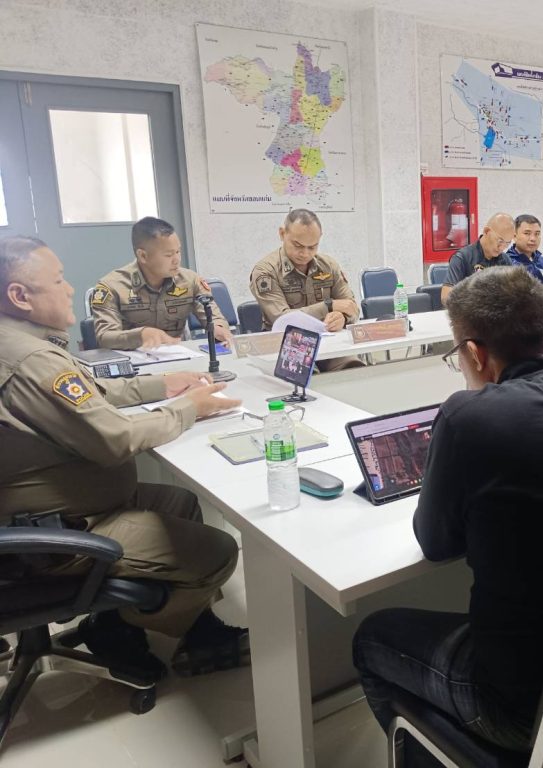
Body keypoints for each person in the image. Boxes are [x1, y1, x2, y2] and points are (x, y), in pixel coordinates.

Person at [353, 267, 543, 760]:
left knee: (372, 637)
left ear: (475, 353)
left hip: (527, 711)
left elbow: (436, 543)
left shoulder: (466, 417)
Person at [0, 235, 248, 679]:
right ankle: (116, 628)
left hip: (50, 508)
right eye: (58, 280)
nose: (70, 289)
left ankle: (196, 631)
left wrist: (162, 384)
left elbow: (88, 393)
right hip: (51, 533)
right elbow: (116, 438)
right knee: (218, 551)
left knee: (179, 503)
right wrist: (189, 408)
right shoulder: (31, 360)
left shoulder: (16, 344)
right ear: (20, 296)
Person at [91, 217, 232, 350]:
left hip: (178, 356)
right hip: (133, 359)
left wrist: (219, 328)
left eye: (178, 251)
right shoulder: (112, 286)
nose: (177, 260)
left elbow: (213, 316)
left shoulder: (190, 280)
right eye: (168, 255)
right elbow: (105, 336)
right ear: (143, 256)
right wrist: (140, 335)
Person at [249, 209, 361, 371]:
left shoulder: (328, 266)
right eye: (298, 245)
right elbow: (283, 319)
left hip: (327, 339)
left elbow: (352, 307)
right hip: (288, 342)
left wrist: (342, 318)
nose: (305, 253)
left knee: (354, 368)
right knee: (305, 375)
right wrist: (328, 306)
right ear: (282, 234)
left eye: (312, 247)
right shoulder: (266, 271)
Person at [440, 212, 515, 305]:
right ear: (486, 231)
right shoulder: (462, 258)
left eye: (507, 243)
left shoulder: (505, 260)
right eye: (500, 241)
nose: (502, 247)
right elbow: (446, 297)